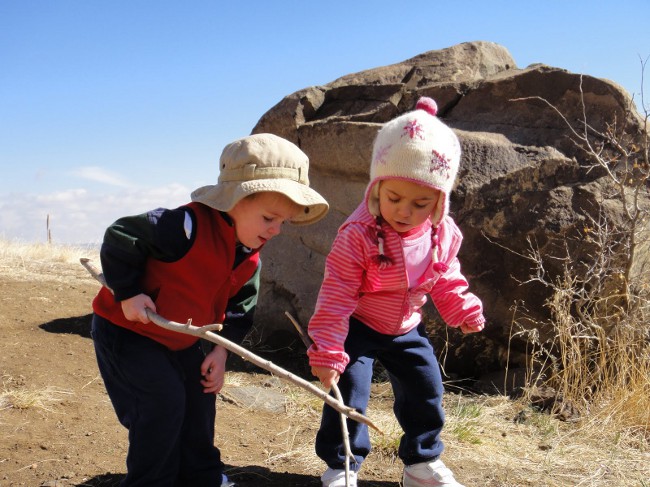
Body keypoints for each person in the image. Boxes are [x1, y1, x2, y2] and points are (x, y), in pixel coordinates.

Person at [90, 133, 329, 487]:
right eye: (268, 218)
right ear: (235, 198)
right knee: (162, 404)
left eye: (284, 223)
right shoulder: (184, 227)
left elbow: (239, 309)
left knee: (199, 401)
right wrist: (129, 293)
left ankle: (201, 476)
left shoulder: (249, 259)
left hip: (182, 341)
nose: (276, 230)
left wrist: (219, 351)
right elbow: (122, 235)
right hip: (129, 334)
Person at [307, 97, 485, 487]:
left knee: (426, 387)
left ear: (440, 200)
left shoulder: (441, 233)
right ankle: (342, 465)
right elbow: (336, 293)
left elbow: (446, 273)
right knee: (349, 391)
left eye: (420, 203)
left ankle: (420, 464)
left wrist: (461, 307)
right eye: (393, 199)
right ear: (376, 187)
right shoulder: (359, 235)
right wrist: (327, 349)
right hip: (359, 322)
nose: (404, 211)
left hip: (406, 325)